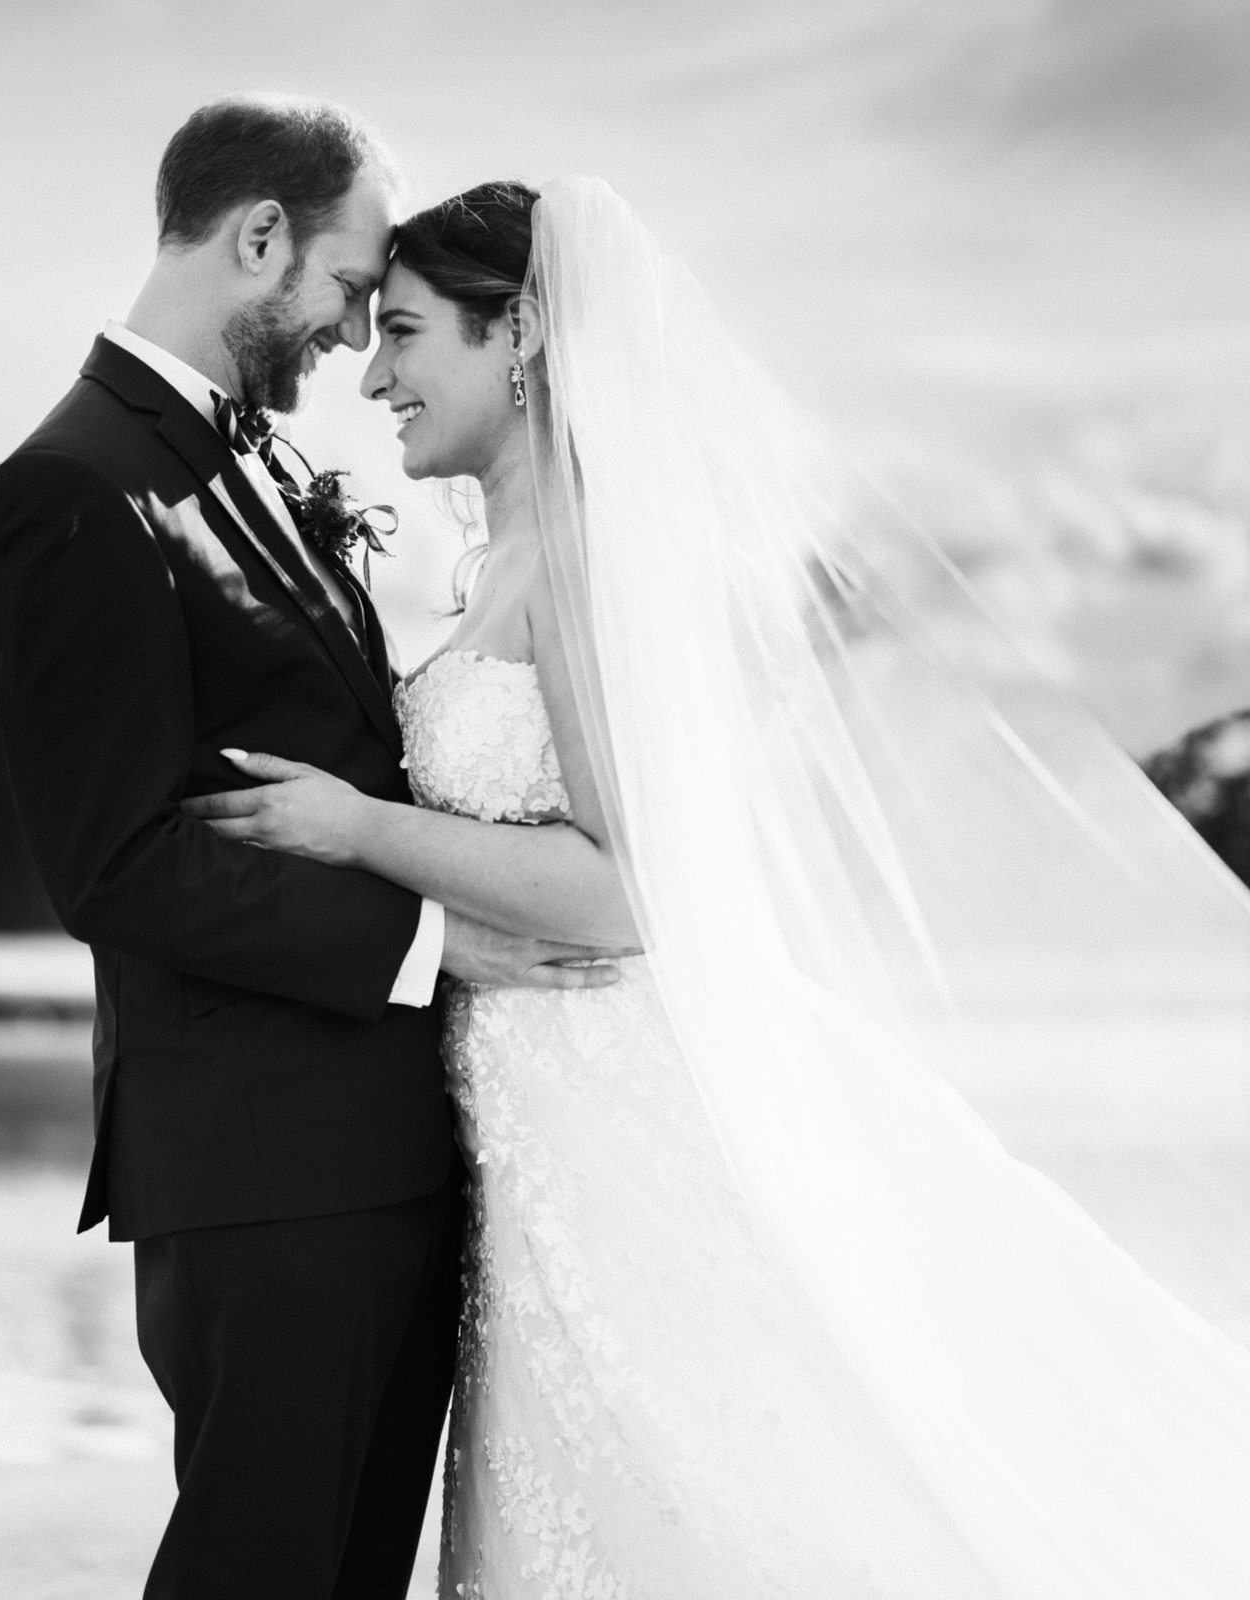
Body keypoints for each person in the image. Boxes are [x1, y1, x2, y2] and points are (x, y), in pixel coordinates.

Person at [185, 176, 1250, 1598]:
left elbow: (626, 892)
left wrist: (355, 829)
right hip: (531, 1116)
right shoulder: (495, 557)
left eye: (410, 333)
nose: (375, 375)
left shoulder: (576, 561)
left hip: (612, 1106)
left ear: (526, 337)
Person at [0, 102, 628, 1599]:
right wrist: (429, 939)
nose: (353, 342)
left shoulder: (245, 470)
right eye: (349, 293)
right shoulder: (80, 485)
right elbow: (118, 863)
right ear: (257, 239)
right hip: (265, 1173)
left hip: (380, 1159)